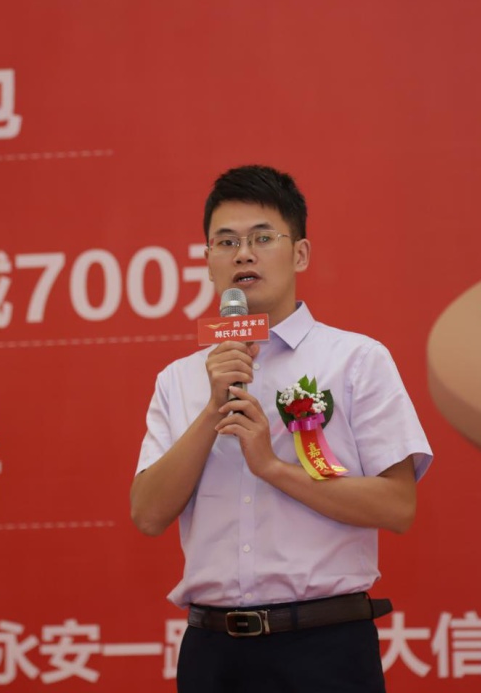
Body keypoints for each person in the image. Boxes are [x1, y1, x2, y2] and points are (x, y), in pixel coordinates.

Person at [131, 164, 433, 693]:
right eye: (226, 242)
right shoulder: (179, 380)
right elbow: (148, 514)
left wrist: (271, 467)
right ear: (207, 261)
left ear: (300, 254)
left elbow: (397, 506)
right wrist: (212, 410)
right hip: (213, 654)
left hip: (324, 648)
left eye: (262, 238)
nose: (243, 255)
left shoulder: (355, 360)